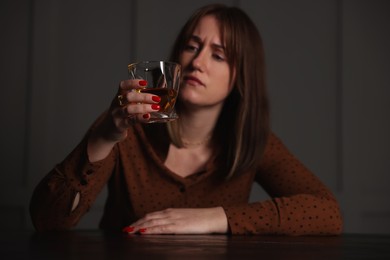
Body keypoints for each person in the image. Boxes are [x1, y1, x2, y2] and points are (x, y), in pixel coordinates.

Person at [30, 4, 343, 235]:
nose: (197, 62)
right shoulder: (126, 126)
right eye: (192, 47)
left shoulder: (251, 143)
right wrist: (102, 137)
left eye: (218, 55)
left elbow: (328, 213)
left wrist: (214, 218)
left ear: (241, 78)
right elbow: (48, 222)